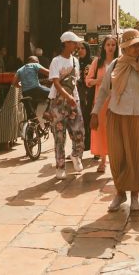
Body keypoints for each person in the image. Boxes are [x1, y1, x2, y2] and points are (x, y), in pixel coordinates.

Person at [91, 29, 139, 214]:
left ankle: (135, 197)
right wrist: (95, 113)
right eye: (133, 46)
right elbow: (105, 90)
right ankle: (120, 193)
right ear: (125, 48)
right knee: (118, 156)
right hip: (117, 115)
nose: (137, 48)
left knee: (136, 157)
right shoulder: (115, 65)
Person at [48, 32, 87, 179]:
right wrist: (67, 96)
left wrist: (73, 98)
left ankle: (76, 155)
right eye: (74, 42)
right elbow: (56, 82)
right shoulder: (56, 61)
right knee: (59, 136)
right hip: (58, 102)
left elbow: (74, 82)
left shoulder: (75, 61)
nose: (76, 45)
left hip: (73, 100)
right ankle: (60, 167)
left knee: (80, 131)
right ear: (66, 43)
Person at [86, 35, 119, 174]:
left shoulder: (120, 62)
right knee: (101, 130)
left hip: (116, 101)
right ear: (104, 47)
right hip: (100, 101)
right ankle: (103, 161)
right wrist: (99, 81)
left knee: (114, 131)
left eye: (113, 45)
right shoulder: (97, 62)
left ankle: (115, 161)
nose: (110, 47)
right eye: (108, 45)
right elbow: (88, 81)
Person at [15, 56, 51, 121]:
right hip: (36, 89)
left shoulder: (20, 70)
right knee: (53, 94)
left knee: (31, 116)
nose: (38, 63)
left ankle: (31, 127)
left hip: (25, 93)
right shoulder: (35, 65)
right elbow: (49, 73)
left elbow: (14, 83)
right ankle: (47, 113)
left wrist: (22, 85)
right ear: (32, 61)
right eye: (37, 61)